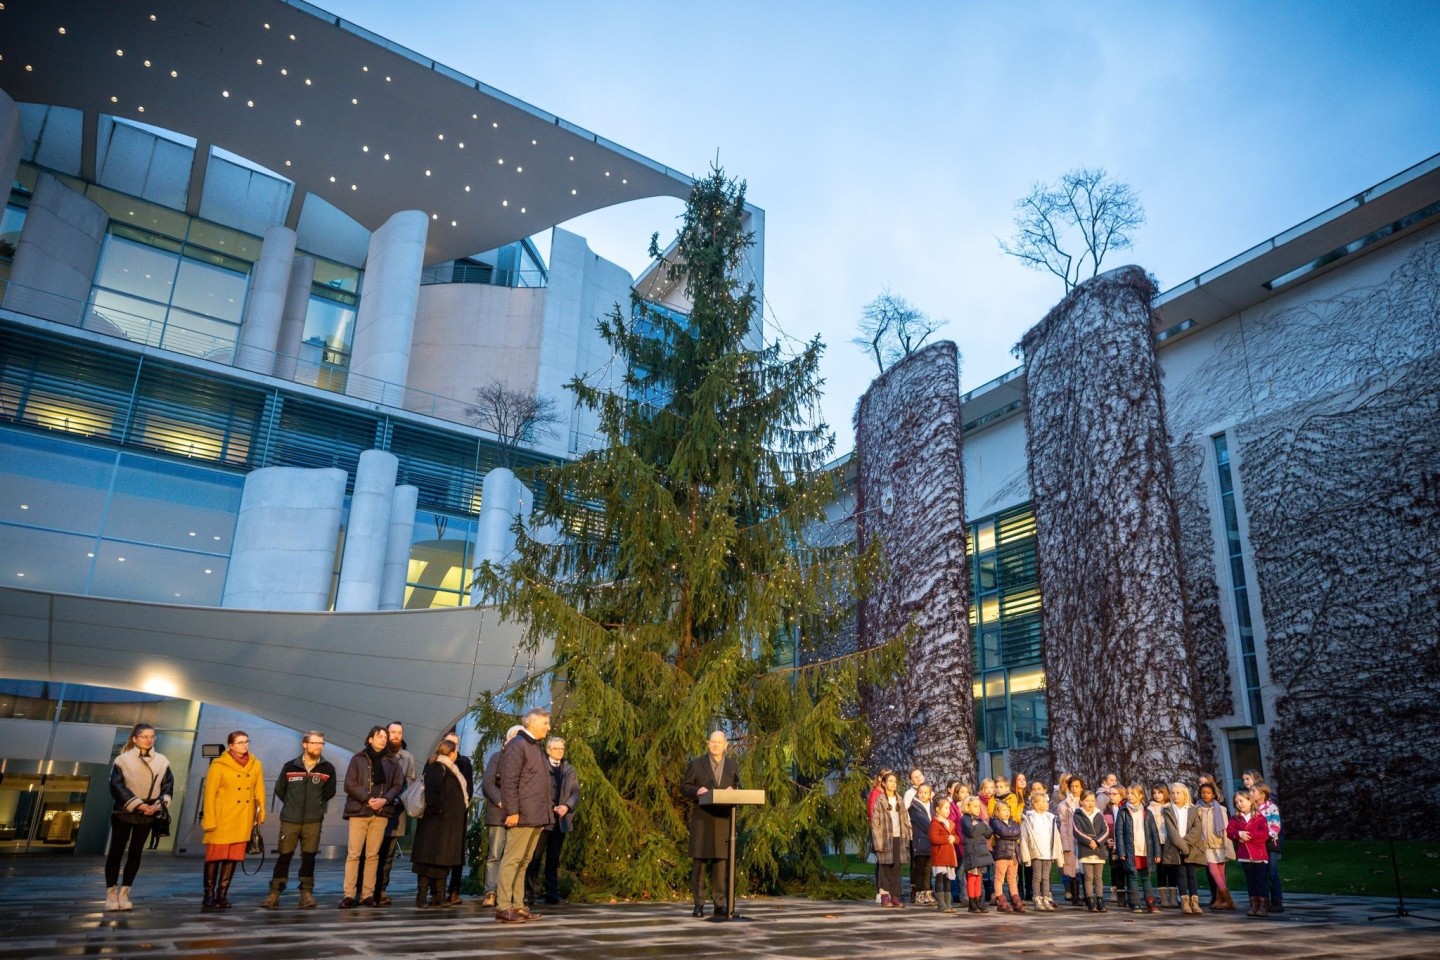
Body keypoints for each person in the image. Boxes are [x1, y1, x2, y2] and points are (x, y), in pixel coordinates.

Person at [264, 730, 336, 909]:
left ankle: (306, 893)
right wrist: (292, 805)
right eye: (314, 743)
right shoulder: (290, 767)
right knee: (284, 857)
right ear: (305, 744)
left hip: (313, 821)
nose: (318, 746)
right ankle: (275, 892)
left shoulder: (328, 769)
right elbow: (281, 790)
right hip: (290, 820)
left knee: (309, 858)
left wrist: (315, 806)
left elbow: (329, 793)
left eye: (321, 743)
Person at [104, 723, 173, 911]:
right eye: (144, 736)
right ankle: (111, 893)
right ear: (135, 738)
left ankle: (125, 892)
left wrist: (158, 805)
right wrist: (139, 805)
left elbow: (168, 787)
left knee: (136, 853)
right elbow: (117, 787)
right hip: (125, 811)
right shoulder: (123, 760)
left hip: (149, 812)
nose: (149, 739)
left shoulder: (162, 761)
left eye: (152, 736)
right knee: (116, 853)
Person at [495, 708, 555, 923]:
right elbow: (508, 781)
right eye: (545, 723)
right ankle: (503, 906)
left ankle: (518, 905)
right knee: (512, 860)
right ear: (532, 723)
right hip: (522, 815)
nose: (548, 728)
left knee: (524, 861)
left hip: (536, 814)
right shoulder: (517, 746)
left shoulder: (534, 747)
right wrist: (512, 811)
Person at [340, 725, 404, 908]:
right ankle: (349, 894)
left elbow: (398, 784)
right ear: (370, 739)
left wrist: (384, 800)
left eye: (385, 736)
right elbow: (349, 783)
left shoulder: (392, 761)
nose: (383, 739)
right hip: (359, 811)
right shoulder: (358, 759)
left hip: (381, 812)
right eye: (379, 736)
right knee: (354, 854)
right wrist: (368, 799)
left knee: (372, 855)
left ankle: (368, 894)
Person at [201, 730, 265, 910]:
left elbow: (259, 790)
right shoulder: (219, 765)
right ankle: (209, 894)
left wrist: (259, 814)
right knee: (214, 857)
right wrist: (210, 819)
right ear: (230, 745)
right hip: (222, 818)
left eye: (246, 741)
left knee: (232, 858)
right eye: (240, 742)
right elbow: (210, 794)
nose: (244, 745)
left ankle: (222, 895)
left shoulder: (255, 764)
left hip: (243, 817)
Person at [410, 739, 470, 908]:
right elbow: (432, 793)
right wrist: (440, 811)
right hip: (435, 824)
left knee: (443, 861)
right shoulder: (438, 768)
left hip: (447, 825)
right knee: (428, 862)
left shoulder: (450, 768)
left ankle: (439, 895)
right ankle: (422, 896)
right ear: (450, 753)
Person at [526, 735, 579, 906]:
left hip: (560, 820)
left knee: (553, 859)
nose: (559, 751)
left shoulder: (569, 769)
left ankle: (552, 894)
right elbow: (536, 791)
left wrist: (567, 806)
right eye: (556, 748)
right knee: (536, 857)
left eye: (562, 748)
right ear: (548, 750)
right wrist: (550, 807)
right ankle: (531, 894)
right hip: (543, 818)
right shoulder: (541, 766)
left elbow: (575, 792)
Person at [371, 720, 417, 906]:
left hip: (396, 810)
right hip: (374, 809)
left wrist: (398, 800)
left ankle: (381, 888)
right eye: (392, 732)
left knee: (388, 854)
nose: (396, 736)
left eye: (399, 732)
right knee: (372, 851)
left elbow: (410, 782)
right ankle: (365, 887)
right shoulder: (376, 755)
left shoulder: (407, 758)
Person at [479, 725, 523, 908]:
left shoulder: (524, 760)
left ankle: (510, 894)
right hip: (498, 813)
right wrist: (502, 802)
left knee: (513, 857)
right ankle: (491, 892)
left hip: (519, 815)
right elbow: (488, 784)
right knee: (495, 855)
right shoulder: (497, 757)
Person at [1161, 781, 1207, 915]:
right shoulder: (1168, 810)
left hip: (1191, 847)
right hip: (1176, 848)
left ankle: (1195, 901)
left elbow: (1196, 829)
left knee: (1191, 874)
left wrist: (1185, 845)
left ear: (1185, 794)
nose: (1175, 795)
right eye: (1172, 793)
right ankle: (1184, 901)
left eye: (1178, 793)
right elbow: (1172, 832)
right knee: (1181, 874)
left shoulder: (1193, 810)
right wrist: (1181, 846)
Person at [1115, 784, 1161, 913]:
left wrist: (1157, 852)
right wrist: (1122, 851)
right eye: (1128, 793)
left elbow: (1154, 833)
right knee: (1133, 876)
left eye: (1132, 793)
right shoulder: (1123, 812)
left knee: (1146, 876)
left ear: (1140, 796)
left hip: (1146, 850)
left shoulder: (1147, 812)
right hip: (1131, 850)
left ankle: (1150, 902)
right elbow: (1119, 833)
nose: (1129, 796)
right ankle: (1135, 903)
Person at [870, 770, 911, 907]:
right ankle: (884, 895)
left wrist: (906, 836)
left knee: (896, 867)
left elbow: (905, 819)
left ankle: (895, 896)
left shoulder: (899, 799)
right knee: (885, 867)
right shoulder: (879, 800)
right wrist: (878, 842)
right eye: (890, 781)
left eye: (894, 781)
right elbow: (875, 823)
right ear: (883, 783)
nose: (893, 784)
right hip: (885, 837)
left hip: (898, 837)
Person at [442, 730, 474, 905]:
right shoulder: (435, 762)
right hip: (440, 815)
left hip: (458, 814)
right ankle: (436, 888)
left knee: (457, 853)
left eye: (455, 744)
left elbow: (468, 789)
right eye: (449, 744)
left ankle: (454, 889)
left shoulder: (464, 763)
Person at [1227, 790, 1271, 917]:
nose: (1239, 804)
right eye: (1236, 802)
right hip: (1245, 855)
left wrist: (1249, 835)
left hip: (1259, 855)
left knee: (1261, 881)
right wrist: (1238, 834)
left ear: (1250, 801)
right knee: (1250, 881)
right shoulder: (1235, 818)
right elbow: (1229, 832)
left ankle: (1263, 905)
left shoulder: (1259, 817)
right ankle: (1254, 904)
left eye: (1241, 801)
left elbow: (1264, 834)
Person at [1196, 780, 1236, 910]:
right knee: (1213, 871)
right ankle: (1228, 898)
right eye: (1203, 793)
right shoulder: (1197, 809)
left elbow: (1225, 828)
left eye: (1208, 793)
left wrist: (1228, 846)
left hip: (1220, 844)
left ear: (1213, 794)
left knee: (1221, 873)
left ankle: (1221, 900)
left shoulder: (1221, 809)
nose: (1205, 795)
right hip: (1206, 845)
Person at [1020, 791, 1062, 911]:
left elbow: (1055, 835)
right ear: (1035, 804)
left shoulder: (1049, 817)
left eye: (1046, 801)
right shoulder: (1030, 818)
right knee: (1037, 876)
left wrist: (1056, 851)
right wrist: (1026, 853)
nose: (1046, 803)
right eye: (1043, 802)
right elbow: (1025, 837)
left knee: (1046, 877)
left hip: (1048, 852)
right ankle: (1037, 898)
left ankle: (1046, 897)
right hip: (1037, 852)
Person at [1073, 790, 1110, 912]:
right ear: (1082, 801)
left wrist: (1097, 842)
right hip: (1086, 850)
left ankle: (1100, 899)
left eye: (1092, 801)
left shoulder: (1099, 814)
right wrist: (1090, 841)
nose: (1090, 803)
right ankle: (1090, 899)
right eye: (1087, 801)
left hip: (1099, 850)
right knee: (1088, 877)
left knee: (1098, 877)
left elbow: (1105, 830)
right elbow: (1077, 831)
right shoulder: (1077, 815)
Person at [1252, 781, 1285, 913]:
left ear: (1262, 793)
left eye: (1253, 791)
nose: (1251, 794)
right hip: (1258, 845)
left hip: (1271, 844)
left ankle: (1277, 900)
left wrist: (1263, 837)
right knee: (1262, 873)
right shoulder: (1253, 809)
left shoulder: (1272, 807)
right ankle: (1264, 901)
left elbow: (1275, 826)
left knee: (1272, 872)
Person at [989, 797, 1024, 912]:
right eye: (1003, 810)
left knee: (1012, 879)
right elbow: (1003, 831)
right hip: (1002, 854)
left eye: (1008, 810)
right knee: (999, 878)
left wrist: (1008, 834)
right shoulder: (995, 822)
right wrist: (1010, 834)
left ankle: (1015, 898)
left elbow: (1018, 832)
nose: (1007, 812)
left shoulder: (1013, 822)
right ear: (997, 812)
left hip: (1013, 855)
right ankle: (1000, 899)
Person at [960, 796, 994, 913]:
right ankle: (972, 902)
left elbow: (989, 832)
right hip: (972, 852)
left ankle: (978, 901)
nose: (978, 809)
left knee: (979, 878)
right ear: (967, 807)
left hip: (980, 852)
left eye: (979, 806)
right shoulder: (965, 819)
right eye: (975, 806)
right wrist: (982, 826)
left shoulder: (978, 821)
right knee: (972, 877)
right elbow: (972, 832)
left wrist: (981, 825)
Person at [928, 796, 960, 913]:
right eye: (946, 808)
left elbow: (957, 838)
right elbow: (934, 838)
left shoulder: (951, 823)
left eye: (949, 808)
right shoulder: (935, 823)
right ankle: (941, 904)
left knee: (948, 880)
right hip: (940, 855)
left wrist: (954, 838)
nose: (948, 810)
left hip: (950, 856)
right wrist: (947, 838)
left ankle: (948, 903)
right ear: (938, 809)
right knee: (940, 879)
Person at [1056, 773, 1084, 905]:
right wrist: (1065, 844)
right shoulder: (1063, 805)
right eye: (1072, 786)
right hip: (1071, 839)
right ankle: (1075, 895)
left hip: (1084, 839)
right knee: (1072, 868)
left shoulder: (1087, 801)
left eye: (1077, 786)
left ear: (1081, 788)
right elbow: (1063, 826)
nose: (1074, 789)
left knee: (1085, 867)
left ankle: (1087, 893)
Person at [1149, 782, 1176, 907]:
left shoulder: (1171, 806)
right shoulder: (1150, 808)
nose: (1157, 795)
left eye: (1159, 792)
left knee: (1171, 869)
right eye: (1154, 793)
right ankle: (1163, 897)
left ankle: (1174, 897)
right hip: (1157, 842)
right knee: (1161, 870)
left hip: (1170, 841)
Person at [908, 783, 934, 904]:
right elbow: (926, 825)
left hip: (930, 842)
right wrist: (937, 830)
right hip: (920, 841)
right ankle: (918, 893)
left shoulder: (932, 806)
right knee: (920, 869)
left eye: (925, 792)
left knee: (928, 869)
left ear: (930, 795)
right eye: (920, 792)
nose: (923, 794)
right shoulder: (915, 808)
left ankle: (927, 892)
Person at [1103, 784, 1128, 909]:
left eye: (1114, 794)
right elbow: (1106, 826)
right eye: (1109, 794)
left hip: (1126, 843)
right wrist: (1108, 839)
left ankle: (1124, 892)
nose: (1111, 796)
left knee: (1125, 868)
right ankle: (1116, 892)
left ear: (1122, 795)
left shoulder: (1126, 807)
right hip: (1113, 845)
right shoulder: (1107, 809)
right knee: (1115, 868)